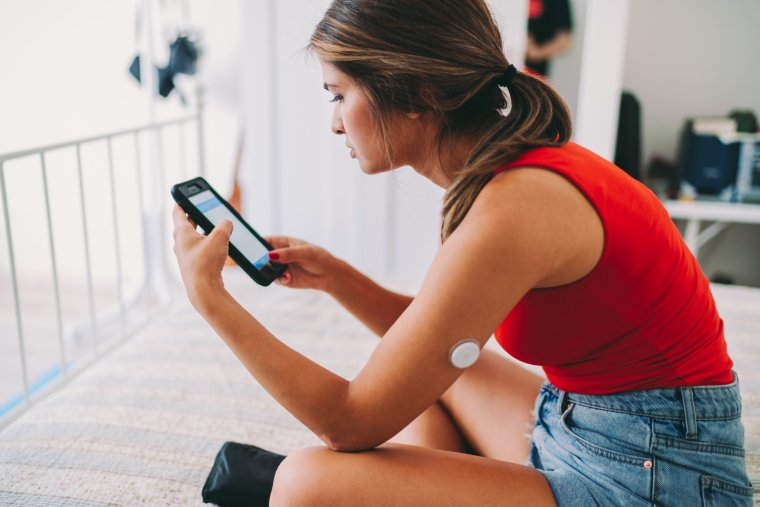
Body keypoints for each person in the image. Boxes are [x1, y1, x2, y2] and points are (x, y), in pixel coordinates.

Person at [171, 0, 754, 505]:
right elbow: (431, 343)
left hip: (655, 481)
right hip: (594, 427)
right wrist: (338, 279)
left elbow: (349, 421)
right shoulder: (514, 176)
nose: (334, 124)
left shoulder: (512, 207)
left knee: (305, 481)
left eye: (339, 94)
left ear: (418, 93)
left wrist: (210, 299)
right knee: (421, 390)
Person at [525, 0, 573, 77]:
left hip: (533, 76)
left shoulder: (558, 2)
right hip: (502, 65)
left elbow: (564, 41)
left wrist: (537, 52)